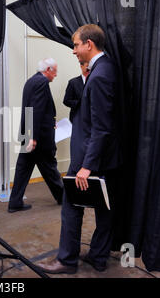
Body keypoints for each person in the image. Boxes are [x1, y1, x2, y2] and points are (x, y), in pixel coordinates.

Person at [39, 24, 122, 274]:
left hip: (90, 157)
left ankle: (66, 261)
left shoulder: (99, 75)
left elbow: (101, 127)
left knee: (71, 207)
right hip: (102, 156)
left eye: (76, 45)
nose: (73, 50)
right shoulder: (106, 69)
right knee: (104, 208)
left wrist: (86, 166)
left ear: (89, 44)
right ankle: (98, 256)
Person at [8, 58, 64, 213]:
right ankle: (62, 197)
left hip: (29, 134)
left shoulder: (31, 81)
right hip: (38, 138)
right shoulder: (42, 83)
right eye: (55, 71)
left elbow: (33, 110)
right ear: (48, 70)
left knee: (23, 169)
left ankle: (15, 202)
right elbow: (36, 110)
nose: (56, 75)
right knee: (49, 168)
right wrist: (33, 137)